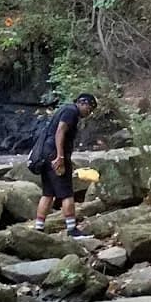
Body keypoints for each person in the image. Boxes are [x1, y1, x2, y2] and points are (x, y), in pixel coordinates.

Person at [33, 93, 97, 238]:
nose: (89, 113)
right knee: (67, 192)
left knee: (48, 193)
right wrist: (60, 156)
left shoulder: (65, 109)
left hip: (46, 154)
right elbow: (60, 131)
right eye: (90, 108)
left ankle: (39, 228)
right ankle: (72, 229)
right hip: (55, 155)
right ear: (83, 103)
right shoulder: (71, 112)